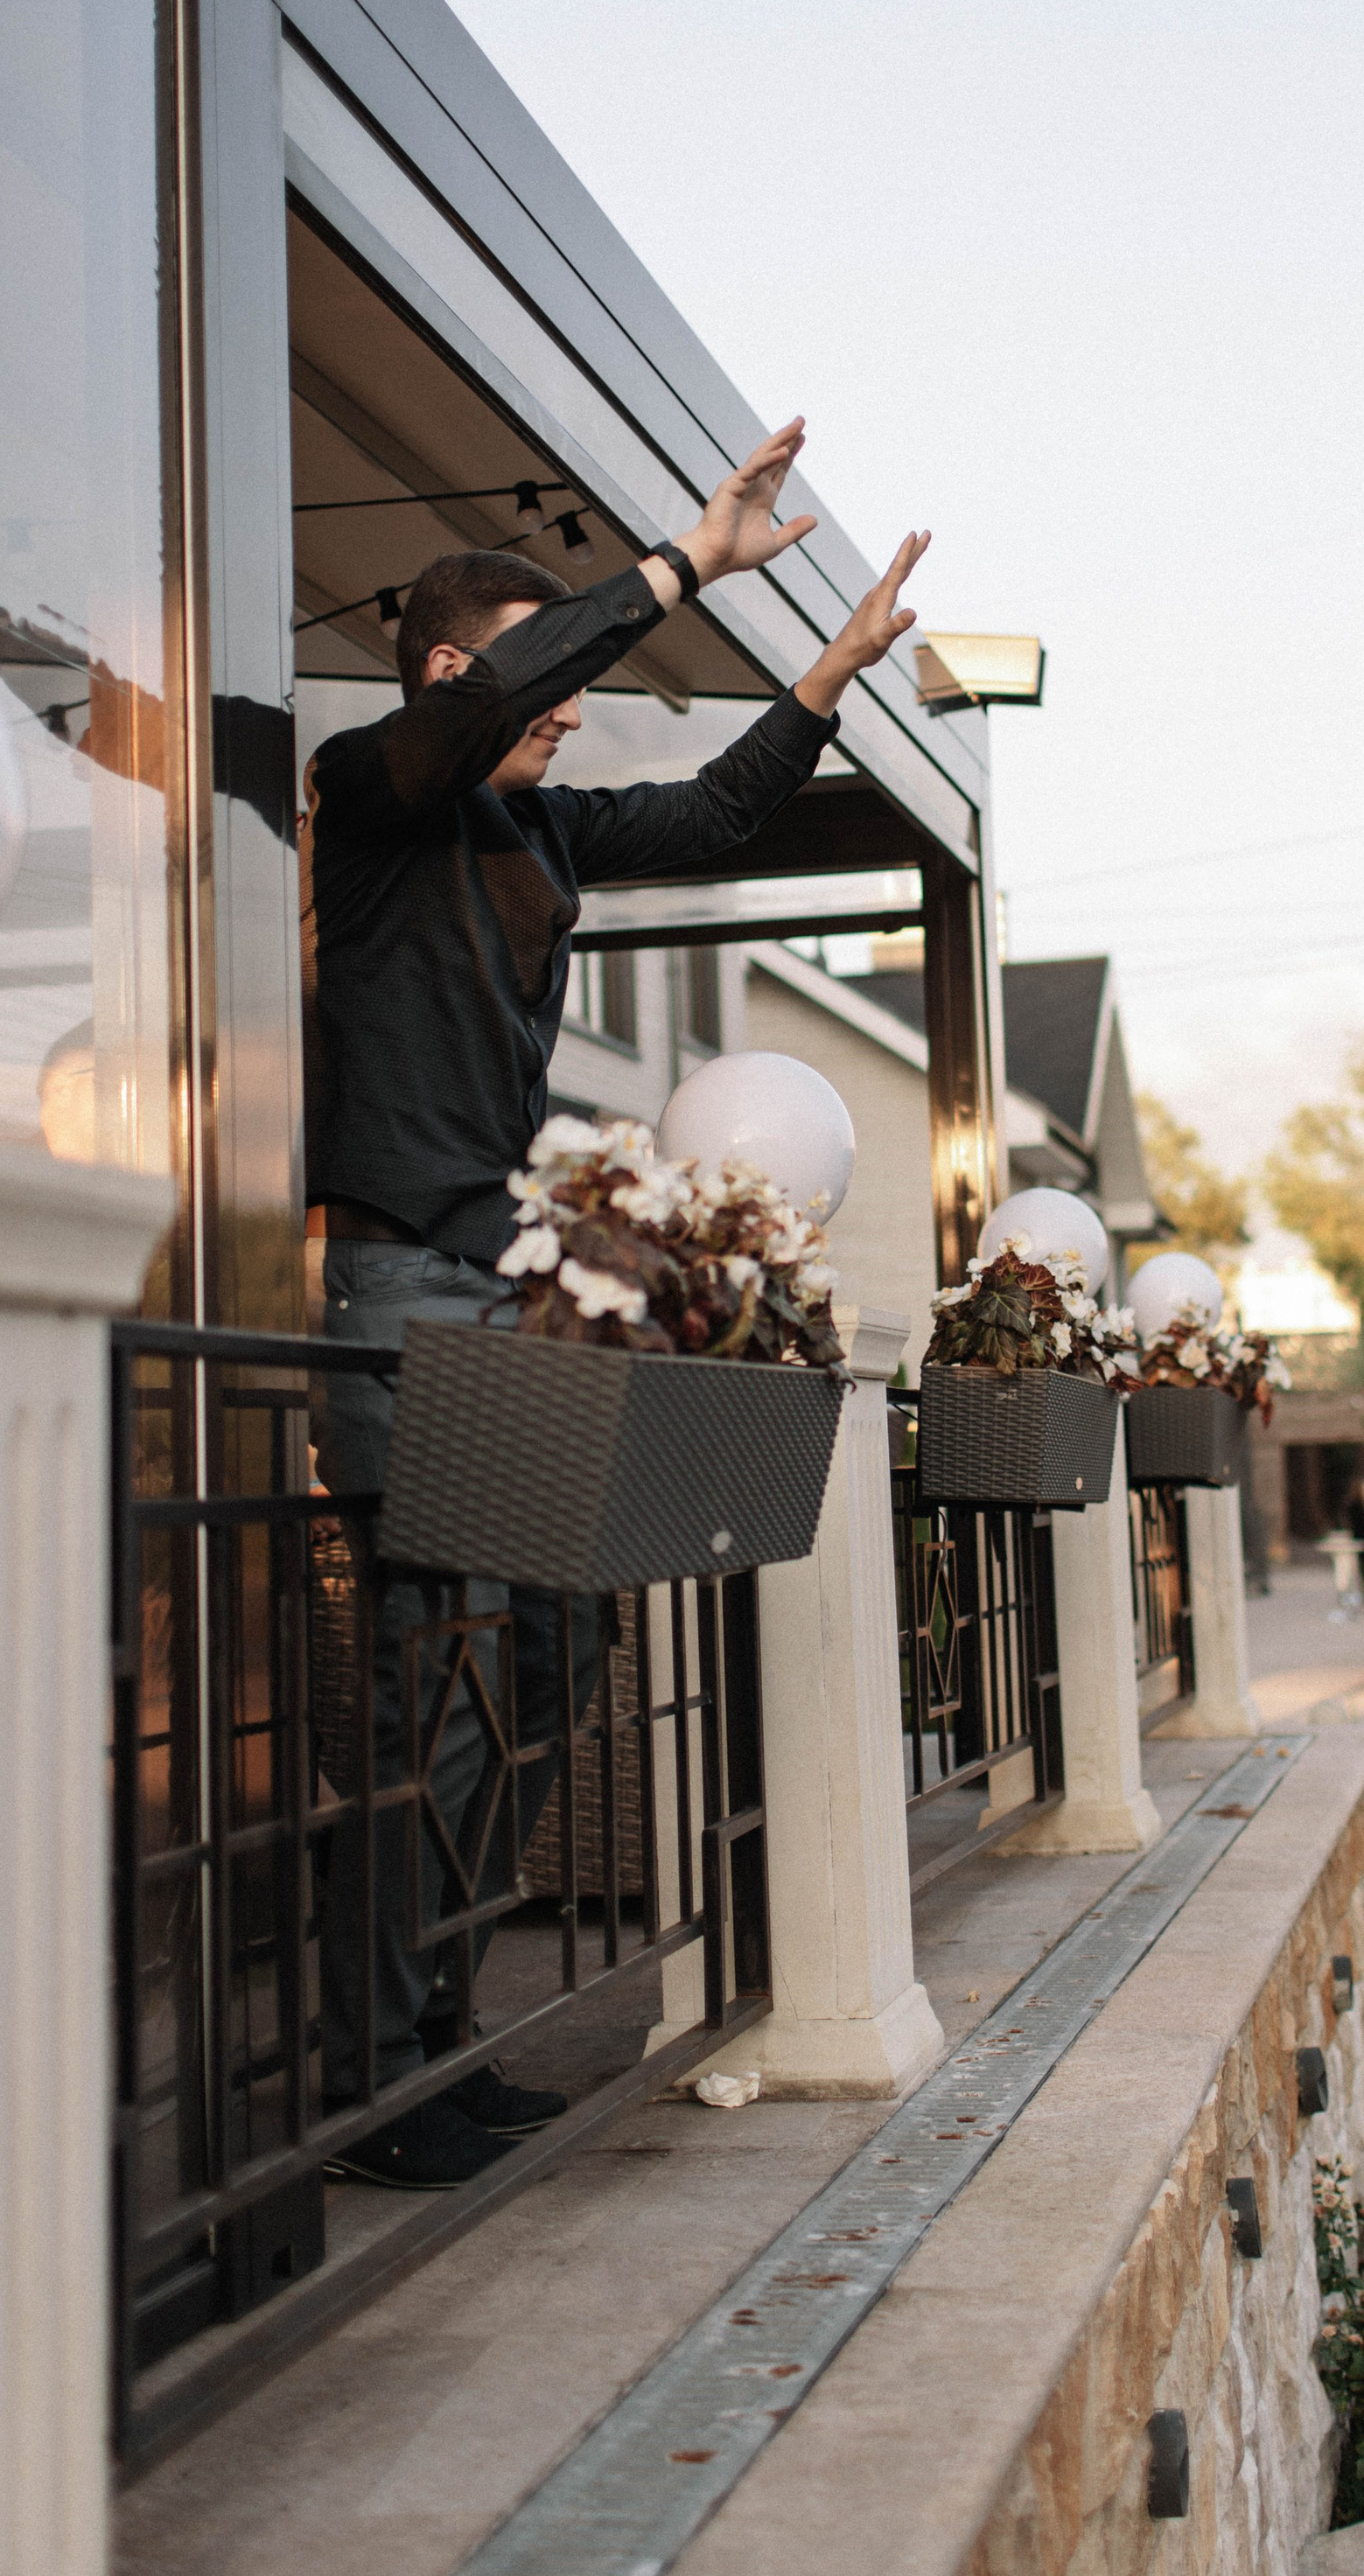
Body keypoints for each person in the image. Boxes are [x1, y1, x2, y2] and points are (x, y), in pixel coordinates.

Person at [307, 415, 926, 2190]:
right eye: (535, 688)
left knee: (549, 1647)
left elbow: (722, 808)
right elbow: (534, 673)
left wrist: (823, 666)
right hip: (395, 1284)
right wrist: (679, 564)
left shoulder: (540, 828)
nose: (568, 716)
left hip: (494, 1285)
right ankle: (373, 2073)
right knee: (440, 1677)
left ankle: (431, 2030)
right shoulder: (372, 790)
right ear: (448, 672)